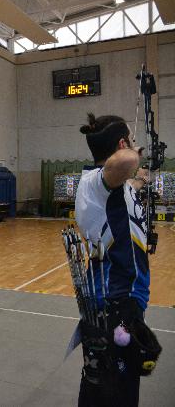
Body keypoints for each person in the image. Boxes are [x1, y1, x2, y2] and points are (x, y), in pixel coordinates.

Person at [74, 113, 152, 406]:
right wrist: (135, 153)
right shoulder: (95, 182)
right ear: (121, 144)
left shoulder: (110, 188)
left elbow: (128, 184)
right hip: (114, 305)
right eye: (129, 140)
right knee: (115, 393)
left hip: (121, 302)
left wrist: (141, 179)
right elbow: (126, 161)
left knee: (107, 387)